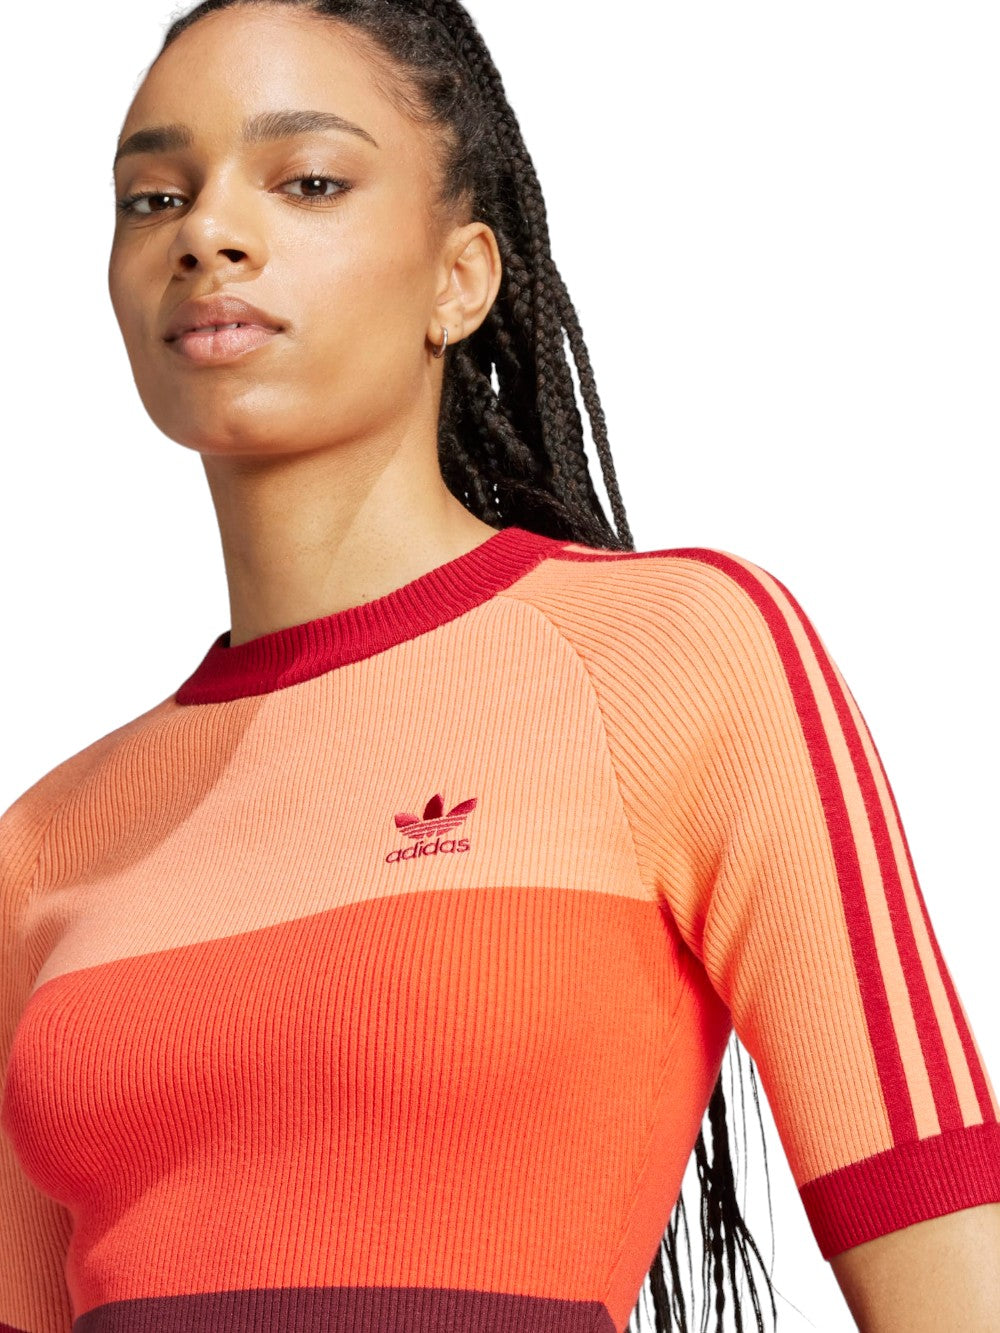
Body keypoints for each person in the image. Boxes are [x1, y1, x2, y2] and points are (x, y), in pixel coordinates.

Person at [1, 1, 998, 1330]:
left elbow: (956, 1279)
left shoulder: (678, 658)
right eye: (154, 197)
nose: (208, 232)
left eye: (308, 181)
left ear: (461, 279)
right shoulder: (45, 843)